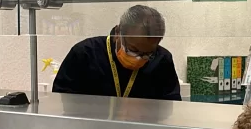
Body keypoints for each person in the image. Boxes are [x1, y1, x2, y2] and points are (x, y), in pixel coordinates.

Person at [52, 5, 181, 101]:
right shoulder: (85, 53)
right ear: (118, 33)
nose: (139, 58)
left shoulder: (162, 59)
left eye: (147, 54)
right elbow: (62, 98)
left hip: (142, 128)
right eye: (133, 50)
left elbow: (171, 105)